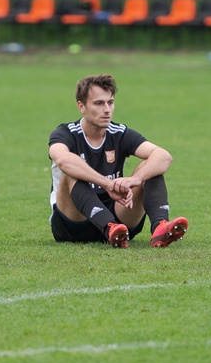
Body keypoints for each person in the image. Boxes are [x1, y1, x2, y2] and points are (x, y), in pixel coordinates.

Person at [48, 74, 188, 248]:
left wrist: (134, 180)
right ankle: (108, 227)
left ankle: (160, 227)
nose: (107, 109)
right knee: (71, 172)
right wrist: (107, 184)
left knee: (151, 166)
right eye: (99, 103)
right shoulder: (65, 133)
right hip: (73, 223)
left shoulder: (119, 132)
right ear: (81, 106)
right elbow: (63, 160)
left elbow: (163, 156)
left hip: (119, 220)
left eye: (110, 102)